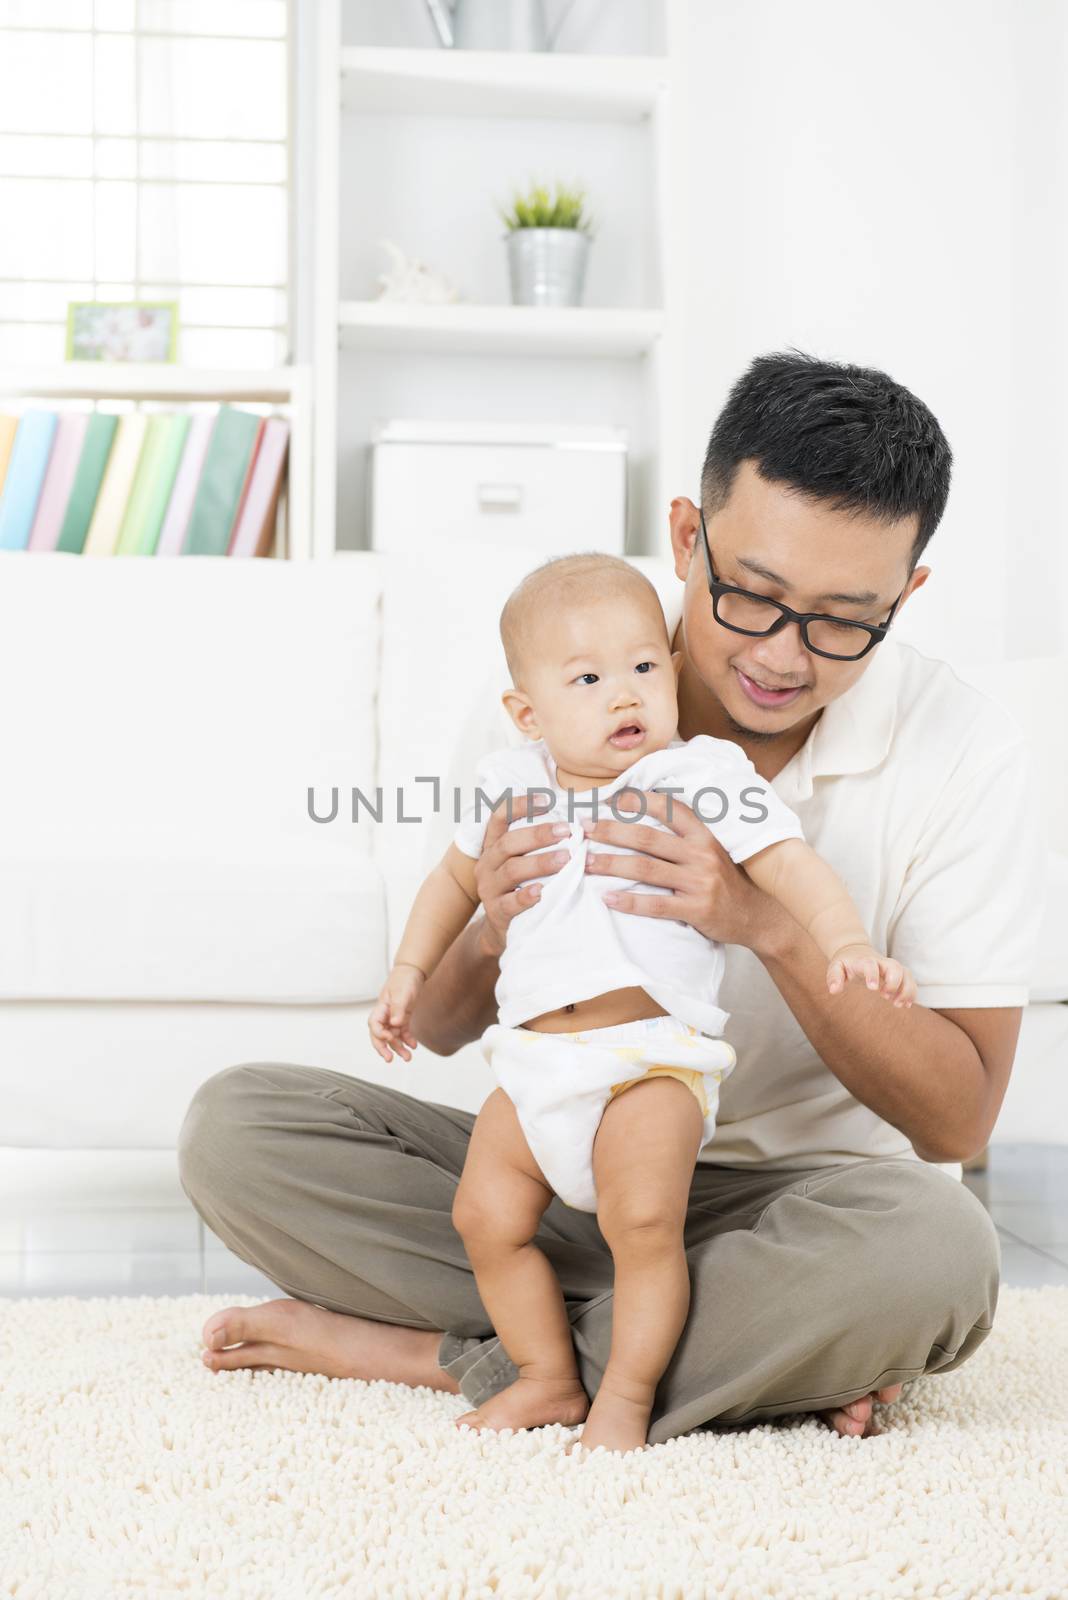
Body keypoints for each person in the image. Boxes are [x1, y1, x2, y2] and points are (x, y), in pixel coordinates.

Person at [178, 351, 1042, 1447]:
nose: (783, 655)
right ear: (688, 535)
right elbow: (443, 1027)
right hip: (550, 1152)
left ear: (906, 595)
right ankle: (737, 1355)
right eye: (753, 596)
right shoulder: (562, 682)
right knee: (238, 1128)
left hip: (784, 1209)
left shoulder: (964, 750)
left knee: (935, 1252)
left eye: (843, 621)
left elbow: (956, 1118)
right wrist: (494, 920)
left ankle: (449, 1359)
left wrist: (761, 923)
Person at [368, 551, 916, 1456]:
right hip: (534, 1068)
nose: (624, 695)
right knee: (483, 1216)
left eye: (644, 667)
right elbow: (449, 883)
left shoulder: (701, 771)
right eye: (588, 678)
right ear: (528, 713)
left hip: (649, 1064)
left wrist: (847, 944)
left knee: (644, 1224)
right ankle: (547, 1375)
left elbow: (792, 867)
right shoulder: (511, 781)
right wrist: (407, 972)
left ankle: (625, 1394)